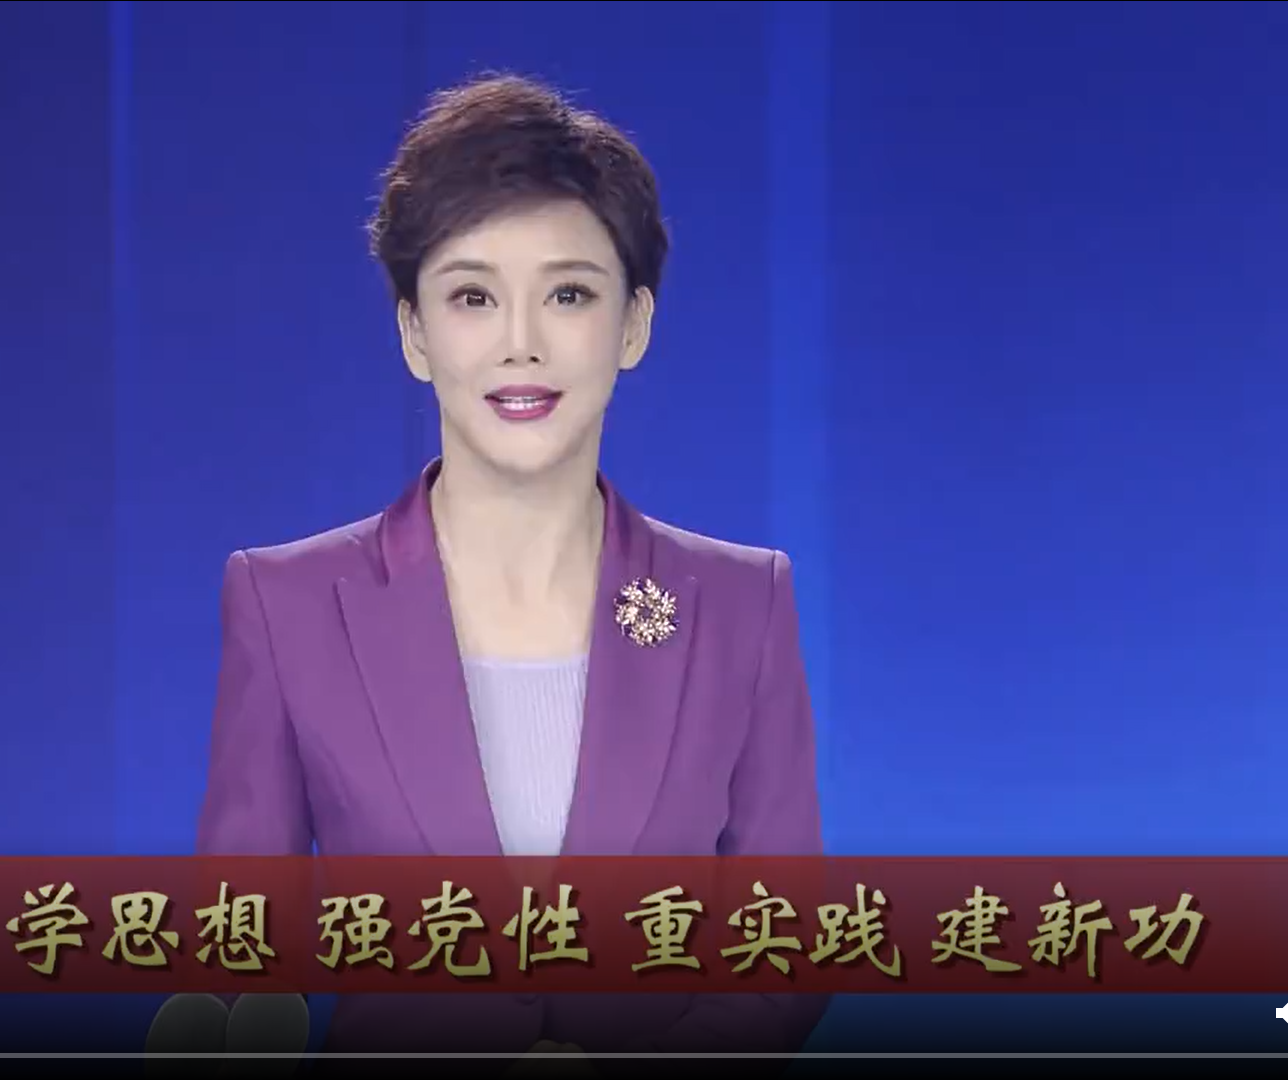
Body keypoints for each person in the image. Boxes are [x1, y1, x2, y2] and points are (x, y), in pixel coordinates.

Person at [197, 73, 827, 1070]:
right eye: (473, 297)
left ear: (633, 324)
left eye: (568, 294)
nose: (521, 344)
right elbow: (237, 947)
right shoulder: (288, 605)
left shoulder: (741, 606)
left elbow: (783, 951)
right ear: (414, 333)